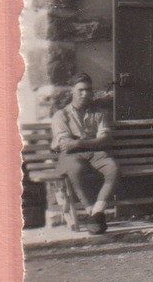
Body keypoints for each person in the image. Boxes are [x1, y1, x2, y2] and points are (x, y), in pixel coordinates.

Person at [51, 73, 119, 234]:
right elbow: (66, 146)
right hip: (71, 157)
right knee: (76, 169)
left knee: (113, 168)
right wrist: (92, 141)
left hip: (95, 154)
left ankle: (97, 211)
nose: (85, 94)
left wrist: (79, 142)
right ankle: (91, 212)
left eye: (88, 90)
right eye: (80, 90)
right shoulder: (61, 115)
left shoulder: (98, 113)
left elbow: (105, 139)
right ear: (72, 92)